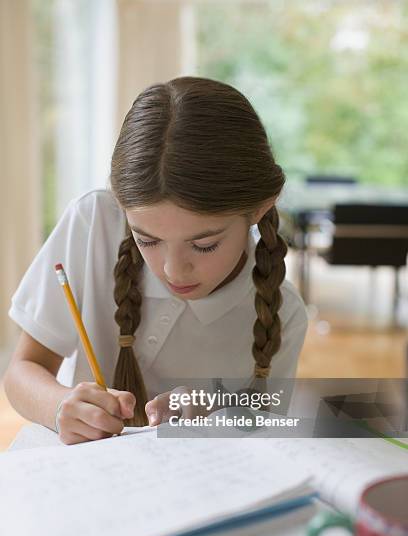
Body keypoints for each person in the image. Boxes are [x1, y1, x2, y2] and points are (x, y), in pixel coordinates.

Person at [4, 76, 308, 445]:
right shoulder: (94, 221)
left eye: (205, 245)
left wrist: (213, 415)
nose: (172, 270)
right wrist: (60, 405)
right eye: (146, 239)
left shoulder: (282, 314)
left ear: (261, 208)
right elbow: (23, 370)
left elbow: (263, 427)